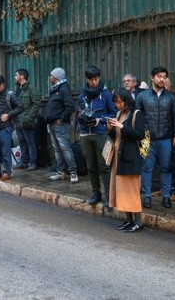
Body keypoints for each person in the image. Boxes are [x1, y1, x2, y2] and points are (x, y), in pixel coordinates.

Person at [136, 66, 175, 209]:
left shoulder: (171, 98)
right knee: (146, 168)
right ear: (152, 77)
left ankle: (166, 196)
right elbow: (137, 117)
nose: (162, 79)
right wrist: (140, 135)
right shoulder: (142, 96)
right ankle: (146, 196)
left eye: (164, 77)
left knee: (166, 168)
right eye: (159, 76)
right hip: (146, 138)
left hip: (166, 138)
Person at [107, 87, 146, 232]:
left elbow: (140, 134)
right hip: (118, 157)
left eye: (120, 102)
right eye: (116, 102)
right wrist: (110, 128)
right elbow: (115, 136)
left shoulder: (137, 114)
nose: (117, 105)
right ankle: (128, 220)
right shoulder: (118, 114)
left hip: (130, 157)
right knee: (121, 191)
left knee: (131, 191)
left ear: (126, 100)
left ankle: (138, 222)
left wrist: (122, 126)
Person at [77, 65, 117, 206]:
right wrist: (81, 118)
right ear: (87, 80)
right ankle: (96, 193)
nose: (94, 82)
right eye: (91, 80)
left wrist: (100, 120)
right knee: (91, 167)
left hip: (102, 134)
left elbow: (114, 113)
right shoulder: (82, 96)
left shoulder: (106, 94)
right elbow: (79, 113)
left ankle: (109, 196)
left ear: (99, 77)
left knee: (105, 165)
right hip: (85, 135)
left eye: (96, 79)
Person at [45, 67, 79, 183]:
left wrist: (62, 118)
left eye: (51, 75)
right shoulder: (55, 88)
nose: (49, 77)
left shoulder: (63, 88)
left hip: (60, 124)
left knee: (64, 148)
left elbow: (70, 106)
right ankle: (61, 172)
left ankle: (73, 171)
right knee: (57, 149)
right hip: (52, 123)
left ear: (56, 77)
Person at [12, 68, 41, 171]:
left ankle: (32, 163)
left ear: (22, 76)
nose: (15, 77)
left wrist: (29, 117)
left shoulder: (32, 88)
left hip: (26, 120)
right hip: (18, 119)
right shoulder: (18, 88)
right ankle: (24, 161)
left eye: (16, 75)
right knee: (21, 141)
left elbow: (36, 104)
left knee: (30, 141)